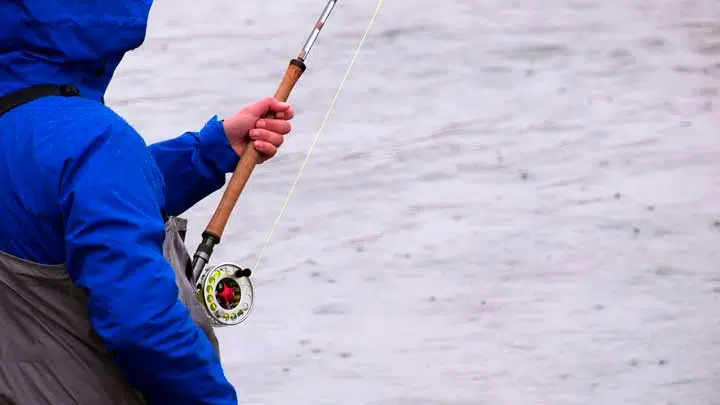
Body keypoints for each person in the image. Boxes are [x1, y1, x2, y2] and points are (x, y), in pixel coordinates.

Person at [0, 1, 293, 404]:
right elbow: (143, 326)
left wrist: (208, 152)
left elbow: (45, 206)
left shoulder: (38, 131)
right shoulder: (92, 143)